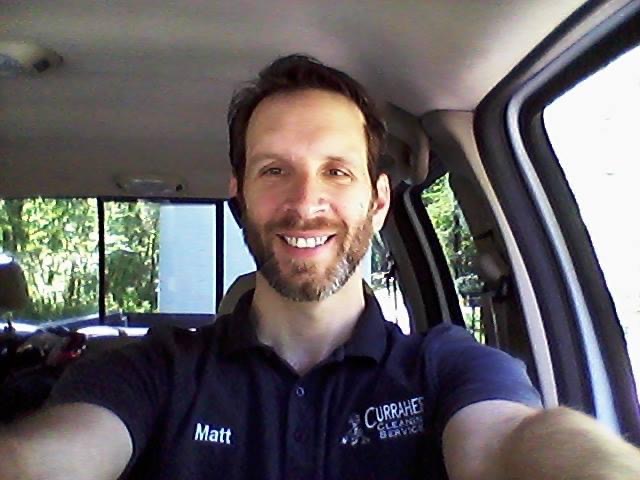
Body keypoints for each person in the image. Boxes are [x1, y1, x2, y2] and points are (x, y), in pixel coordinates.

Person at [1, 54, 639, 480]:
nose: (305, 203)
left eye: (336, 171)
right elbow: (49, 457)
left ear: (378, 201)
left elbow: (510, 443)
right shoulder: (153, 372)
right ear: (239, 197)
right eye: (274, 170)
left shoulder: (448, 367)